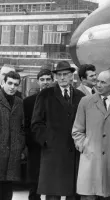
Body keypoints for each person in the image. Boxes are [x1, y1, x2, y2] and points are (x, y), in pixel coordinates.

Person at [31, 61, 85, 200]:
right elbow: (36, 123)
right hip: (53, 152)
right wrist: (47, 140)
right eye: (59, 75)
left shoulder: (80, 96)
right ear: (55, 77)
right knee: (53, 193)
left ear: (72, 76)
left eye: (65, 74)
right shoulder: (45, 95)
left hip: (74, 152)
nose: (62, 78)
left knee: (73, 193)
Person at [72, 70, 110, 199]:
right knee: (89, 195)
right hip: (90, 160)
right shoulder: (85, 101)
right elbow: (77, 130)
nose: (98, 84)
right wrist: (84, 146)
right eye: (97, 81)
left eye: (103, 82)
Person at [23, 69, 54, 200]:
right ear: (38, 81)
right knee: (34, 184)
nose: (45, 82)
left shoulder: (59, 100)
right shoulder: (28, 101)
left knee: (52, 186)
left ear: (52, 81)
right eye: (42, 80)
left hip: (53, 148)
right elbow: (26, 127)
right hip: (35, 148)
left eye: (48, 79)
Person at [0, 71, 24, 200]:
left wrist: (21, 148)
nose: (12, 87)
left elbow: (22, 127)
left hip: (13, 153)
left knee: (7, 189)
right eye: (9, 83)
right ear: (3, 83)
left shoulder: (19, 103)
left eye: (16, 84)